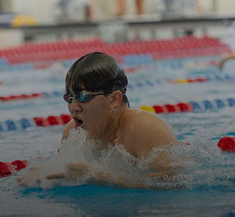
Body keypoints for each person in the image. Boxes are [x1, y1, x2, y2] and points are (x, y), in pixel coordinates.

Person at [17, 52, 180, 189]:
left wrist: (106, 178)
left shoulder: (144, 127)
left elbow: (176, 181)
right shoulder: (73, 132)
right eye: (70, 97)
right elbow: (70, 174)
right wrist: (48, 174)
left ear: (114, 99)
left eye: (84, 96)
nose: (74, 107)